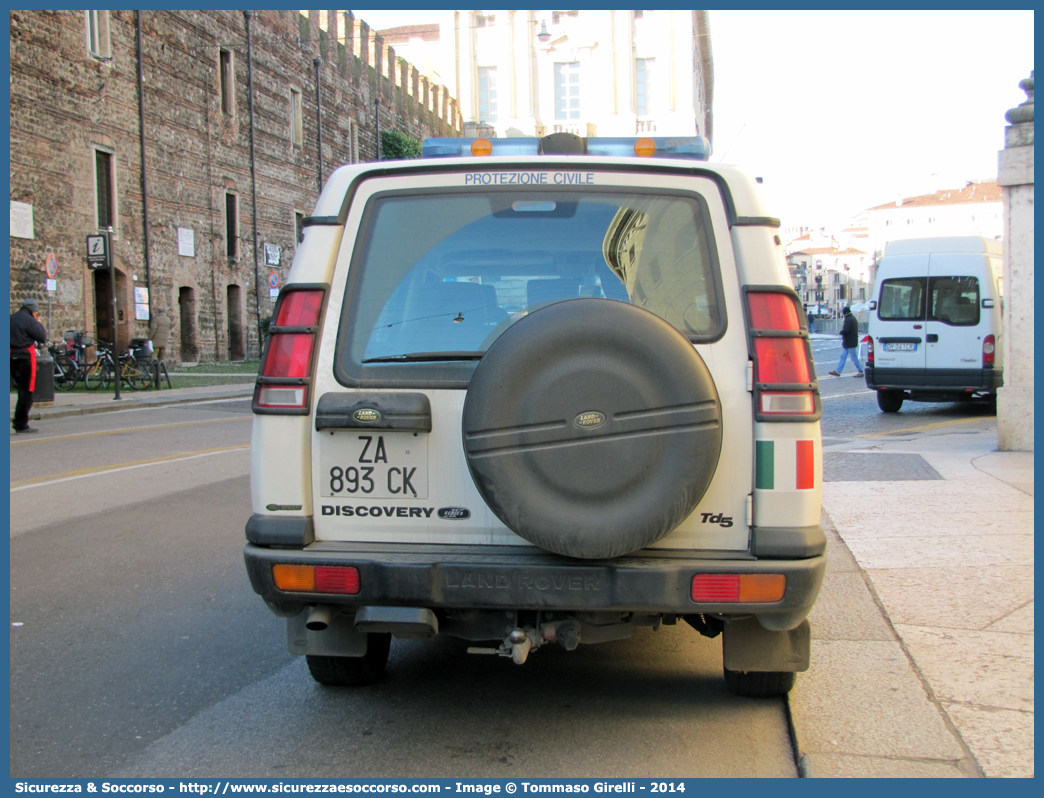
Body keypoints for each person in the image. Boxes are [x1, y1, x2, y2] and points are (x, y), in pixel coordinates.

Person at [10, 297, 48, 434]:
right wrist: (38, 322)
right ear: (34, 311)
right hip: (24, 357)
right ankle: (21, 424)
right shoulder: (30, 321)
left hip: (10, 355)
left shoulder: (10, 318)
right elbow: (42, 337)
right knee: (26, 391)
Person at [829, 305, 863, 377]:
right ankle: (838, 371)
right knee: (843, 356)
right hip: (851, 341)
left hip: (849, 342)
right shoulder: (853, 318)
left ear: (845, 313)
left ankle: (861, 371)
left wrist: (841, 332)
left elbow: (846, 330)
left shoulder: (848, 320)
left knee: (853, 357)